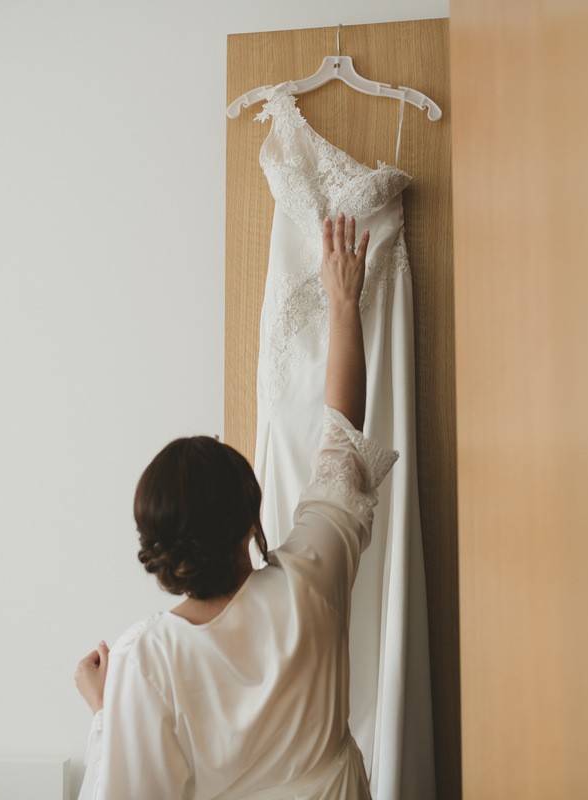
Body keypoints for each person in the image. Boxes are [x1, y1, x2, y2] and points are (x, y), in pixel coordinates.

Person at [74, 212, 397, 800]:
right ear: (252, 522)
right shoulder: (311, 583)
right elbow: (341, 439)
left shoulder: (145, 661)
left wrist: (107, 713)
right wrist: (344, 301)